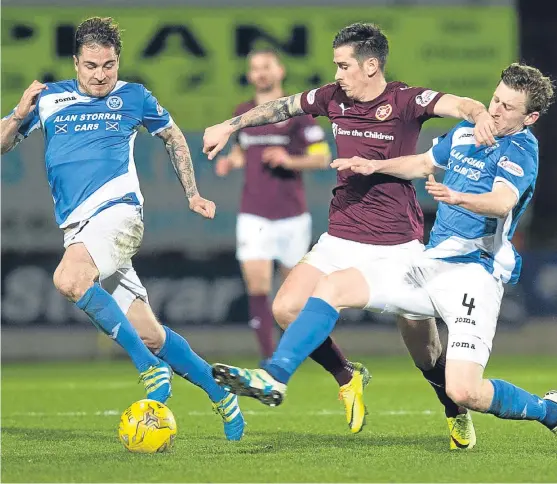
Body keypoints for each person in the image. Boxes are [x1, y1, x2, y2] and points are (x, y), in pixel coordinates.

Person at [211, 63, 557, 440]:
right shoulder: (465, 133)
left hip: (475, 275)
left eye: (508, 107)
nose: (495, 110)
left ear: (530, 117)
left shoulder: (522, 147)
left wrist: (458, 197)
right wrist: (375, 165)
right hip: (431, 265)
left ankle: (548, 410)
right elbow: (424, 163)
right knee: (333, 286)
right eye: (495, 99)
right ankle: (276, 375)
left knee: (464, 390)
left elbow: (503, 201)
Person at [0, 17, 244, 441]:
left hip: (119, 214)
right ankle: (220, 391)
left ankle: (150, 373)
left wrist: (192, 193)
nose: (100, 74)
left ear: (118, 62)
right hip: (79, 230)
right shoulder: (49, 99)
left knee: (68, 277)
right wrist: (20, 112)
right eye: (91, 65)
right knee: (149, 334)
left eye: (109, 65)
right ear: (76, 62)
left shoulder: (134, 96)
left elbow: (173, 137)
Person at [215, 48, 336, 362]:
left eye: (266, 66)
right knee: (257, 286)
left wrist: (289, 159)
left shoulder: (297, 113)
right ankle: (269, 359)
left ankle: (304, 353)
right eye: (254, 68)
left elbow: (323, 157)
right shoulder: (244, 112)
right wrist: (232, 161)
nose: (261, 73)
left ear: (280, 71)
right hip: (253, 213)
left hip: (291, 215)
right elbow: (244, 150)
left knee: (293, 296)